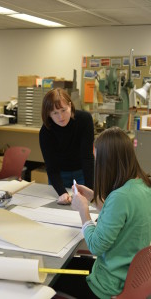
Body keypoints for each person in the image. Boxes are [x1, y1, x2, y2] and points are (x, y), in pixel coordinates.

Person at [53, 127, 151, 299]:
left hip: (109, 286)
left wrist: (83, 211)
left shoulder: (120, 197)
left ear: (108, 162)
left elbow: (95, 245)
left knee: (53, 278)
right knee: (68, 264)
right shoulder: (143, 185)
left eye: (98, 160)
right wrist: (92, 197)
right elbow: (123, 216)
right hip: (133, 277)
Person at [39, 88, 94, 205]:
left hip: (82, 172)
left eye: (63, 110)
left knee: (87, 205)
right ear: (49, 113)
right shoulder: (45, 131)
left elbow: (87, 158)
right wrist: (61, 192)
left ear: (70, 105)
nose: (61, 117)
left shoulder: (84, 120)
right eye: (55, 113)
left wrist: (90, 190)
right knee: (60, 208)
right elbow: (51, 167)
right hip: (59, 175)